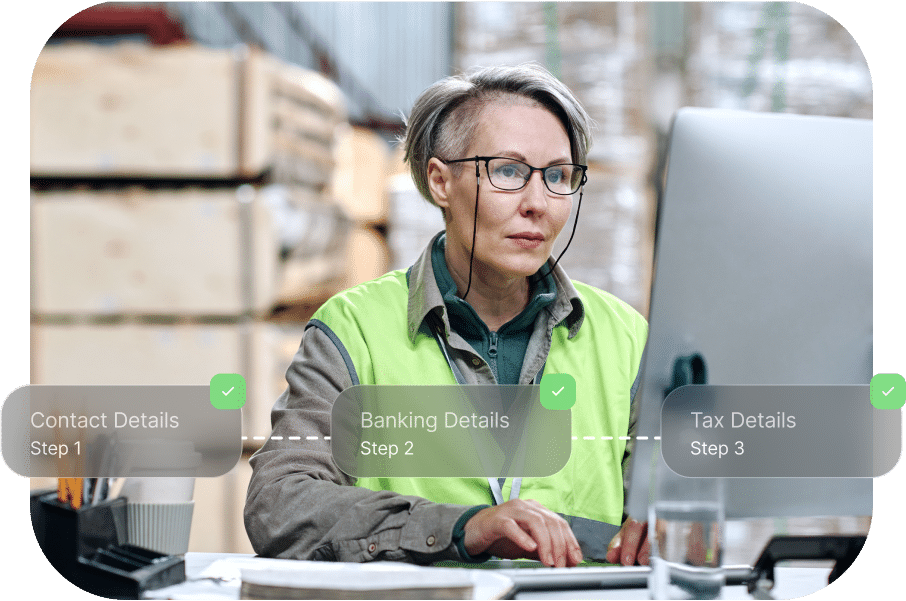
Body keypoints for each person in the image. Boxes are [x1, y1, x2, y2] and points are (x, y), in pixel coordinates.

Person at [245, 63, 650, 568]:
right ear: (440, 182)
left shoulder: (625, 336)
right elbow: (279, 505)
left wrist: (675, 525)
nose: (538, 203)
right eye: (508, 171)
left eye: (558, 177)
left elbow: (671, 506)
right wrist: (461, 528)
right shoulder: (356, 330)